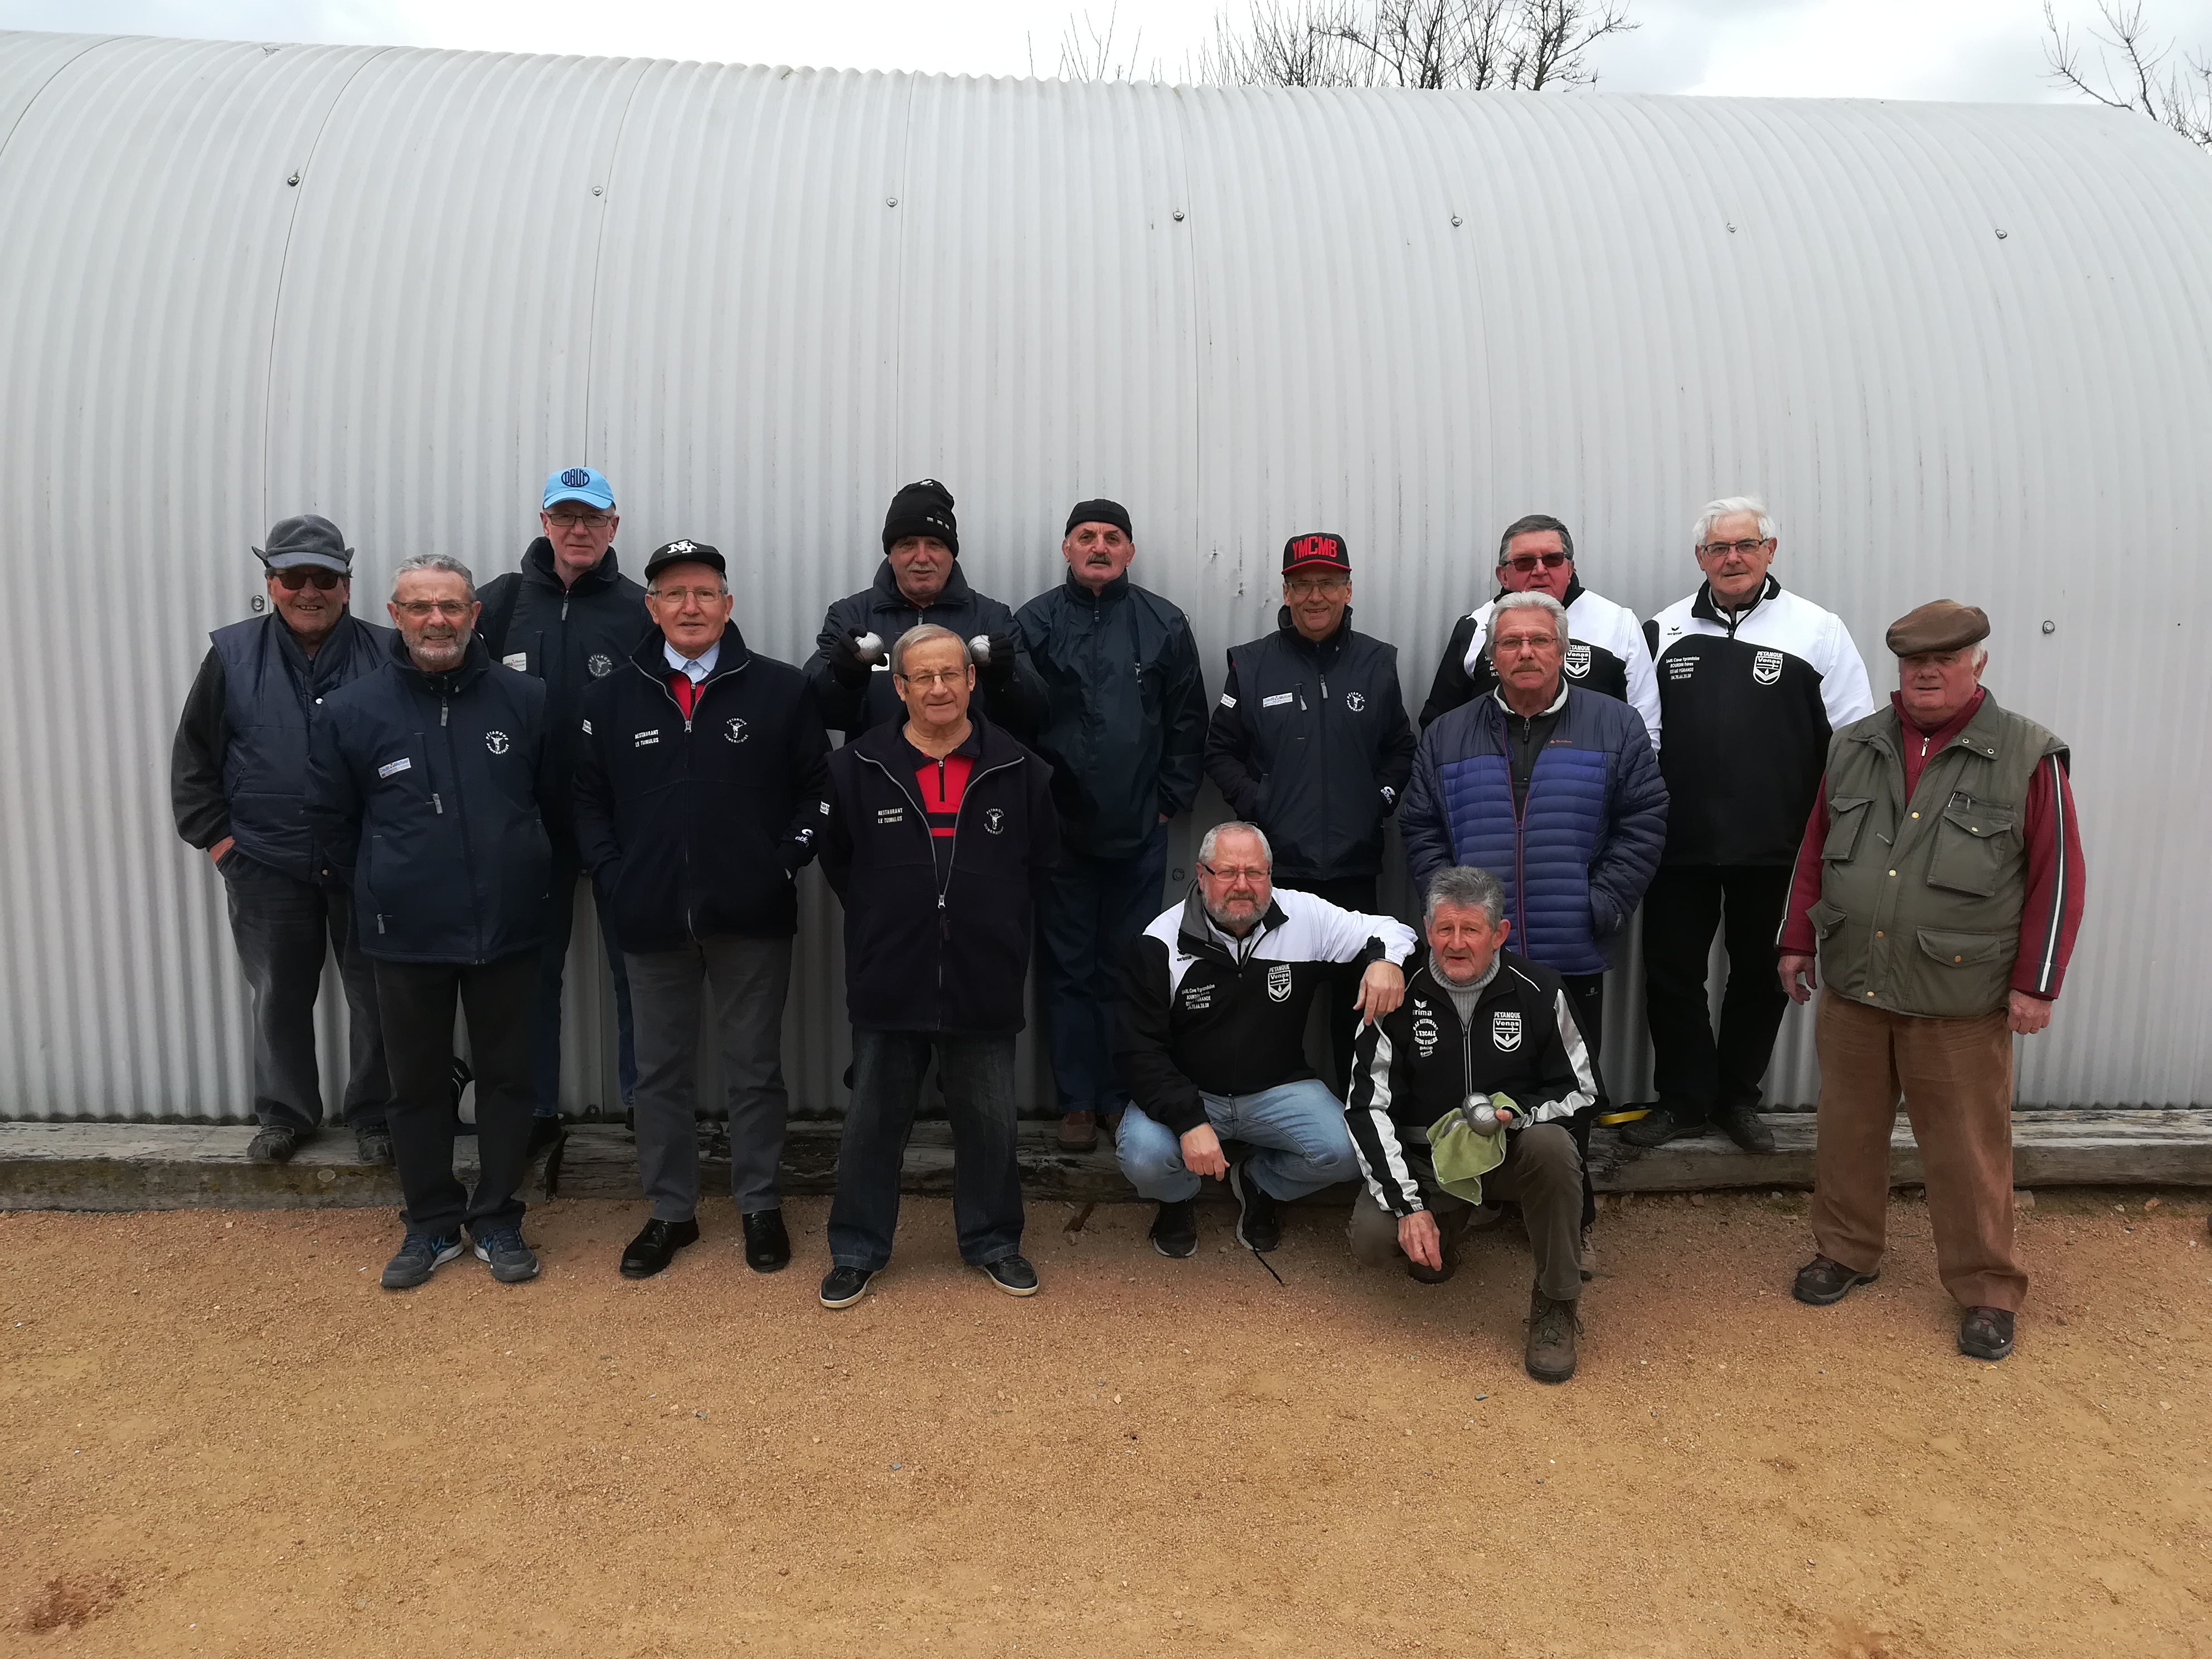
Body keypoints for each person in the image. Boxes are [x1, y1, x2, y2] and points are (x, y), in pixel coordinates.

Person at [1778, 602, 2084, 1363]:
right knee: (1847, 1131)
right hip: (1856, 980)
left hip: (1959, 995)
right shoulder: (1854, 745)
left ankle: (1986, 1288)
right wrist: (1795, 940)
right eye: (1915, 663)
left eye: (1946, 660)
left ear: (1978, 663)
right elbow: (1815, 847)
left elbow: (2058, 877)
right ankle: (1847, 1252)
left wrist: (2037, 984)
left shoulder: (2026, 753)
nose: (1928, 673)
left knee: (1968, 1148)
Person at [573, 540, 831, 1281]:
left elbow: (818, 787)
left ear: (728, 604)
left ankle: (758, 1203)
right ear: (650, 607)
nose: (690, 607)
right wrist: (614, 877)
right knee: (659, 1075)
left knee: (755, 1070)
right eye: (674, 594)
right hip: (649, 919)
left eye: (705, 593)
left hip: (752, 917)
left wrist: (785, 861)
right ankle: (670, 1213)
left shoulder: (780, 689)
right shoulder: (611, 696)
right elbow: (587, 800)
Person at [308, 555, 556, 1290]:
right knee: (414, 1086)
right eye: (420, 607)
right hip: (404, 935)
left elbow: (551, 803)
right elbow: (333, 823)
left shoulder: (526, 699)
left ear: (475, 613)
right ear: (396, 613)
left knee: (508, 1081)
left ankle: (499, 1219)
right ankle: (430, 1224)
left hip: (508, 930)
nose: (436, 621)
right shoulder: (353, 711)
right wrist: (389, 885)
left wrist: (527, 874)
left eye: (450, 606)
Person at [817, 625, 1060, 1309]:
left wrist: (992, 922)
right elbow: (840, 864)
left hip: (984, 974)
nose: (938, 689)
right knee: (872, 1122)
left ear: (972, 680)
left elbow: (1040, 862)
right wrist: (892, 918)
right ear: (897, 687)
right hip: (889, 974)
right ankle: (856, 1249)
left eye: (950, 674)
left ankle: (992, 1241)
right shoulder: (856, 768)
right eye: (920, 677)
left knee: (988, 1122)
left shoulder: (1020, 768)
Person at [1623, 496, 1874, 1153]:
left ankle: (1736, 1098)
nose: (1730, 558)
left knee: (1760, 978)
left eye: (1744, 545)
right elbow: (1639, 736)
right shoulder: (1662, 630)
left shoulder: (1817, 630)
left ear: (1770, 550)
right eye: (1716, 548)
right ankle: (1682, 1101)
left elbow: (1851, 740)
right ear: (1698, 557)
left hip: (1777, 848)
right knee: (1671, 975)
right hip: (1676, 847)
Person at [171, 516, 396, 1165]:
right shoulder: (233, 654)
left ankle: (376, 1115)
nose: (308, 590)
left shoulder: (387, 652)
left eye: (322, 577)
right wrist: (220, 843)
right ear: (271, 583)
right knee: (278, 994)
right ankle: (284, 1114)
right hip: (265, 860)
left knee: (378, 994)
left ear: (345, 586)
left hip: (366, 863)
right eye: (292, 577)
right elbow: (195, 758)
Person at [1345, 866, 1600, 1382]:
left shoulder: (1540, 990)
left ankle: (1556, 1303)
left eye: (1471, 930)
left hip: (1509, 1155)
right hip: (1430, 1166)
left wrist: (1521, 1113)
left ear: (1499, 934)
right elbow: (1365, 1108)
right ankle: (1444, 1227)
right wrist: (1408, 1207)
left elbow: (1585, 1092)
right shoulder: (1396, 995)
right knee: (1372, 1240)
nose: (1456, 944)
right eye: (1444, 929)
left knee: (1552, 1146)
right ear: (1426, 929)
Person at [1115, 821, 1414, 1259]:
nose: (1242, 886)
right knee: (1143, 1157)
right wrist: (1189, 1121)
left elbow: (1392, 929)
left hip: (1278, 1089)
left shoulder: (1304, 916)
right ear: (1201, 877)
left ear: (1270, 876)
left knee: (1346, 1152)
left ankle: (1259, 1184)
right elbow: (1138, 1050)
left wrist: (1385, 962)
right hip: (1191, 1091)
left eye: (1255, 873)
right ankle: (1178, 1199)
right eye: (1228, 873)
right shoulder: (1159, 942)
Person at [1398, 590, 1666, 1064]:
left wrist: (1603, 902)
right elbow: (1421, 826)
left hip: (1572, 947)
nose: (1525, 652)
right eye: (1510, 642)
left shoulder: (1617, 725)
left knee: (1569, 1092)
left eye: (1540, 640)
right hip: (1474, 950)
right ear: (1491, 657)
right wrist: (1451, 907)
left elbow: (1644, 820)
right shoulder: (1447, 733)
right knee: (1478, 1093)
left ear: (1562, 651)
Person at [1017, 499, 1209, 1153]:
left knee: (1132, 965)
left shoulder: (1162, 623)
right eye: (1086, 536)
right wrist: (1031, 803)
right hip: (1057, 829)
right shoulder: (1034, 623)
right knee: (1068, 965)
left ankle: (1125, 1093)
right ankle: (1076, 1100)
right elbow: (1010, 720)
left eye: (1112, 537)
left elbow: (1188, 718)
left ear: (1129, 551)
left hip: (1138, 828)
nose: (1099, 546)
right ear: (1065, 548)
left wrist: (1169, 798)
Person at [1204, 532, 1418, 1090]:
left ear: (1347, 589)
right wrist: (1259, 806)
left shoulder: (1377, 663)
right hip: (1277, 879)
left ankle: (1361, 1126)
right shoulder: (1250, 666)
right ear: (1286, 591)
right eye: (1302, 585)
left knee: (1357, 1016)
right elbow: (1217, 750)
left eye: (1327, 583)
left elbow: (1400, 748)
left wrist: (1379, 801)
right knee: (1271, 1017)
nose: (1315, 596)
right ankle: (1269, 1126)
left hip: (1352, 876)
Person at [478, 466, 648, 1150]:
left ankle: (644, 1102)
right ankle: (536, 1109)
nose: (579, 531)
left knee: (634, 965)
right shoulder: (497, 604)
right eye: (565, 517)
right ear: (544, 523)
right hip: (527, 823)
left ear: (614, 527)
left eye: (593, 518)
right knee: (530, 971)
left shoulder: (642, 608)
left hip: (619, 820)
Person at [807, 478, 1044, 739]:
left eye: (935, 544)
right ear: (891, 554)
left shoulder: (992, 618)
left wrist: (1006, 679)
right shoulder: (849, 617)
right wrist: (841, 678)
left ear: (951, 554)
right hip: (878, 773)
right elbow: (813, 713)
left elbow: (1035, 714)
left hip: (971, 775)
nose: (922, 557)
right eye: (908, 544)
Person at [1418, 513, 1660, 745]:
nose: (1540, 570)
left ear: (1570, 569)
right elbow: (1439, 724)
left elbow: (1644, 723)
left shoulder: (1617, 622)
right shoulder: (1475, 626)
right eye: (1524, 562)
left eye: (1553, 559)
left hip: (1593, 782)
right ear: (1503, 575)